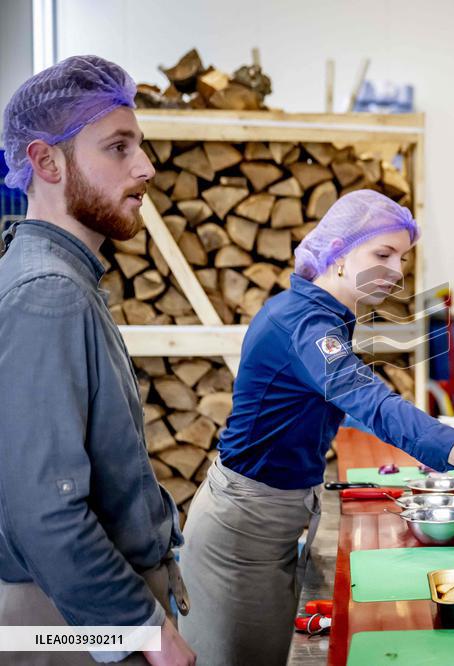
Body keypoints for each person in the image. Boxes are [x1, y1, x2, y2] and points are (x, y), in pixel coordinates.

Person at [178, 190, 454, 666]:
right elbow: (372, 401)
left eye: (401, 257)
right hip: (242, 528)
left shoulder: (323, 315)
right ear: (336, 253)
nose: (397, 270)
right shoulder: (306, 323)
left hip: (275, 512)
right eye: (382, 253)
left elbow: (326, 397)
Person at [0, 56, 195, 665]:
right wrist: (142, 627)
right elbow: (44, 509)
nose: (146, 167)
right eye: (118, 147)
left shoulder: (62, 280)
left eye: (139, 144)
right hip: (70, 616)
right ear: (46, 161)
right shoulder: (47, 294)